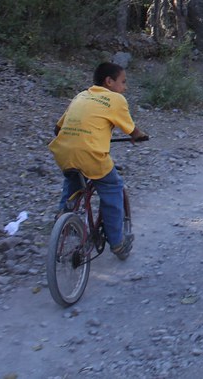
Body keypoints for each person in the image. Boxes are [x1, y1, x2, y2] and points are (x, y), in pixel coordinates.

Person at [49, 62, 146, 260]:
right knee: (113, 188)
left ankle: (63, 214)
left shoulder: (81, 96)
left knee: (73, 178)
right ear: (109, 81)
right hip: (91, 156)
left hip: (63, 152)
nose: (125, 87)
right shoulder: (116, 99)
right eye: (123, 82)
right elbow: (132, 130)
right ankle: (117, 243)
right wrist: (139, 136)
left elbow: (58, 129)